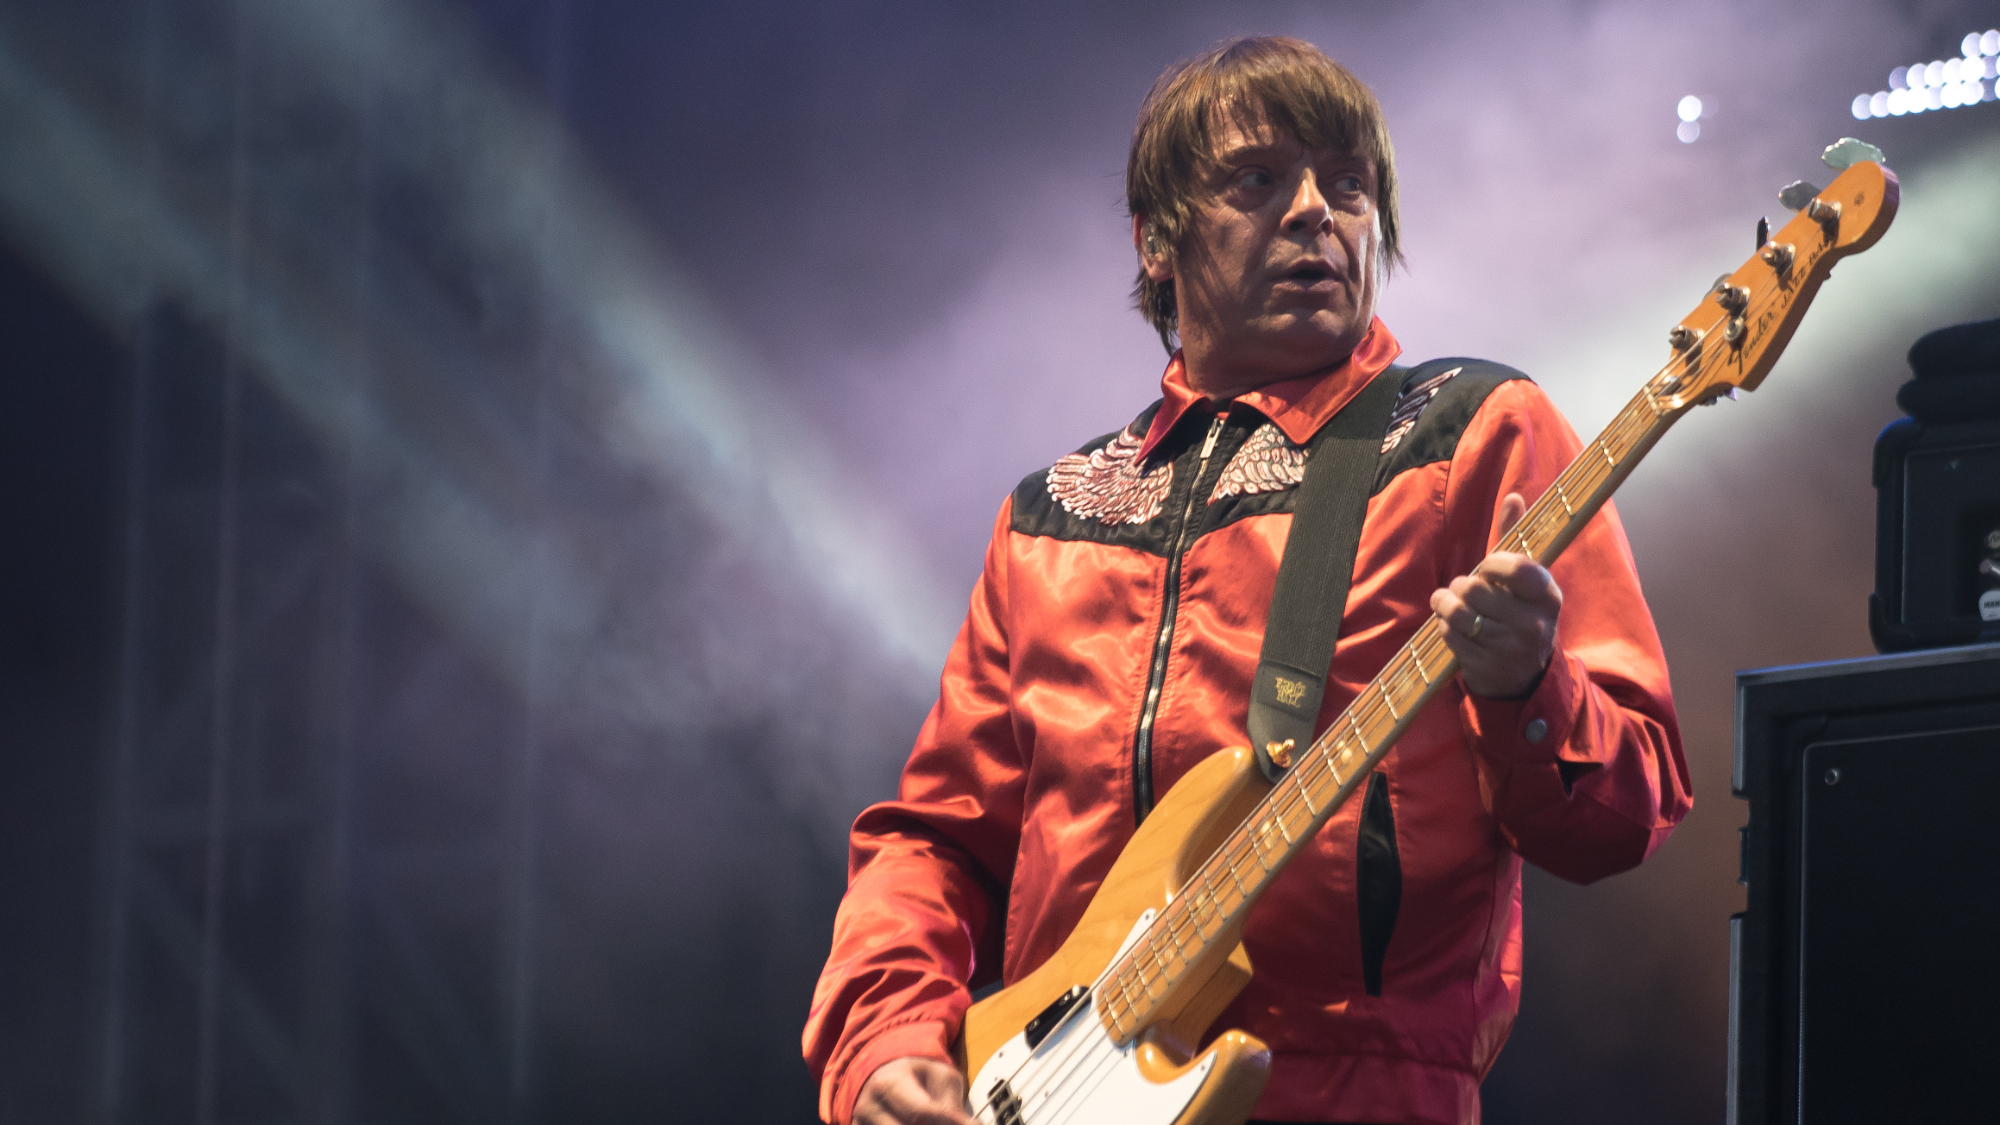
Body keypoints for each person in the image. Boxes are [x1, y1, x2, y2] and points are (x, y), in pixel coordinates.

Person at [803, 36, 1691, 1125]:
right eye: (1258, 179)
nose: (1316, 210)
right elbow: (934, 839)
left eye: (1347, 184)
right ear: (1154, 241)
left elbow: (1625, 809)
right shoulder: (1054, 511)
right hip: (1048, 1089)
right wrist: (884, 1035)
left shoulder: (1471, 435)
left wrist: (1527, 690)